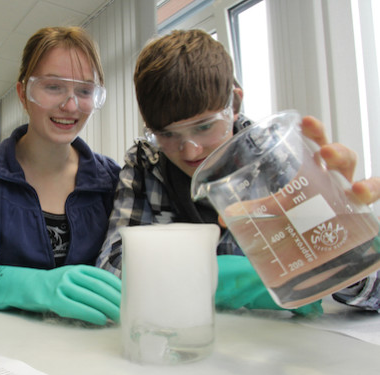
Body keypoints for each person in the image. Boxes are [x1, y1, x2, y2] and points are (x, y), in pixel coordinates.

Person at [97, 29, 380, 314]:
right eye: (167, 134)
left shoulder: (277, 156)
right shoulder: (146, 163)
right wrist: (207, 273)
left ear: (233, 104)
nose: (190, 151)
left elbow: (373, 287)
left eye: (204, 126)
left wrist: (349, 240)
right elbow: (113, 271)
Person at [0, 26, 121, 326]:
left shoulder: (111, 178)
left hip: (86, 346)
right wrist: (39, 287)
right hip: (2, 348)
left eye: (85, 91)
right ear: (23, 94)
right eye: (53, 87)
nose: (70, 105)